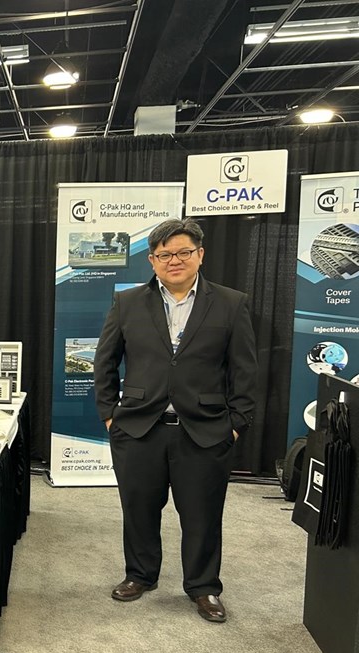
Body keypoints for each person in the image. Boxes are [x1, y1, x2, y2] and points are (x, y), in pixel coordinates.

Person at [93, 217, 256, 623]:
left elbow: (245, 370)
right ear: (152, 260)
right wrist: (110, 416)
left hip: (205, 430)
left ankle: (203, 587)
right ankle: (140, 574)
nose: (174, 260)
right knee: (139, 509)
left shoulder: (231, 303)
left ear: (200, 255)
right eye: (164, 254)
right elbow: (104, 362)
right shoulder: (128, 302)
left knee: (202, 515)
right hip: (138, 428)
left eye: (184, 252)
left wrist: (236, 424)